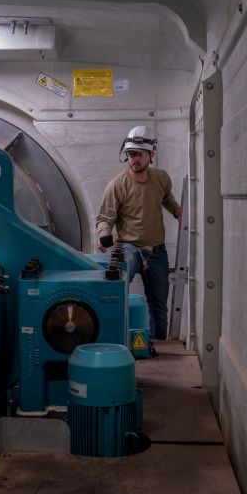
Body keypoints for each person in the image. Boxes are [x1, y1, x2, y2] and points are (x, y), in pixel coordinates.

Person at [95, 125, 182, 342]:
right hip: (129, 248)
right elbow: (105, 218)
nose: (134, 159)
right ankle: (115, 344)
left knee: (159, 308)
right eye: (130, 154)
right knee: (115, 295)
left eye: (139, 154)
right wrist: (103, 235)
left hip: (158, 252)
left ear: (152, 154)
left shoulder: (161, 178)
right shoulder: (117, 185)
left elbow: (166, 198)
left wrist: (178, 211)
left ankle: (158, 347)